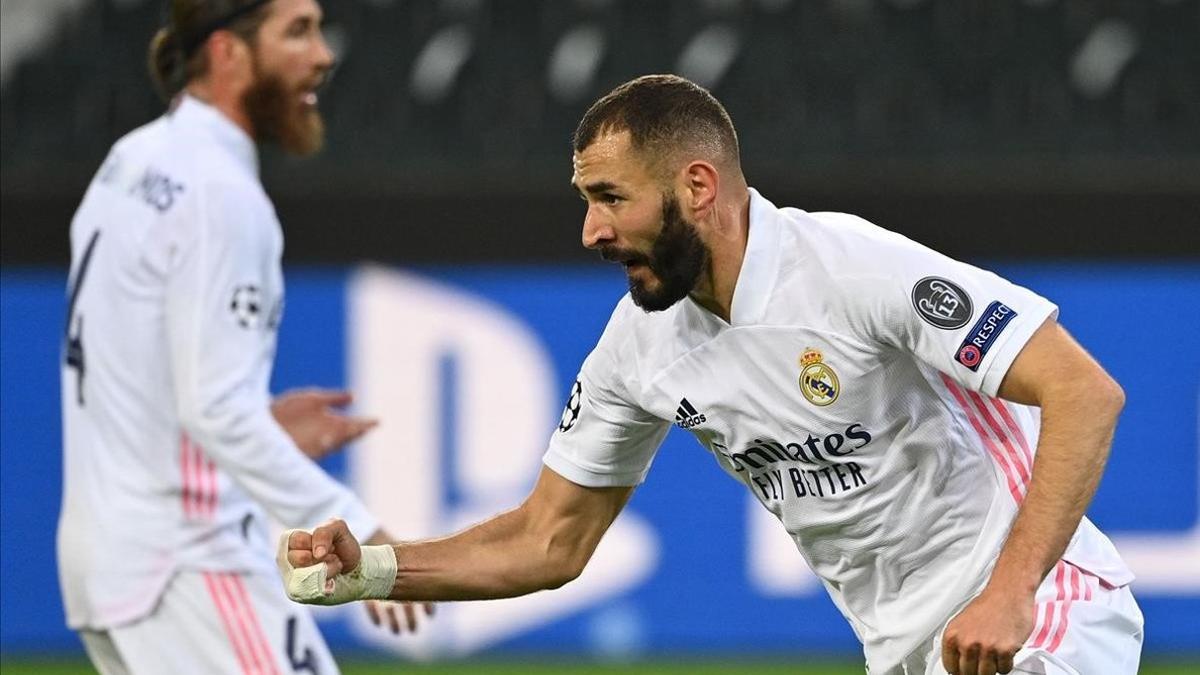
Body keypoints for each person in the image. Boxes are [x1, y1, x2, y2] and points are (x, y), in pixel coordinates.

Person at [278, 74, 1142, 675]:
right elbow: (548, 538)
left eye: (610, 197)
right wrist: (374, 568)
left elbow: (1083, 391)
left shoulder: (848, 268)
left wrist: (1013, 589)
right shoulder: (637, 347)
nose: (590, 231)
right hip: (911, 646)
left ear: (696, 185)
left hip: (1040, 610)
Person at [57, 1, 429, 673]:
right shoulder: (220, 195)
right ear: (227, 52)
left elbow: (147, 378)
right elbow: (214, 410)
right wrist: (359, 527)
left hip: (110, 557)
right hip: (189, 558)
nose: (323, 53)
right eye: (297, 31)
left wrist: (264, 424)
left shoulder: (133, 160)